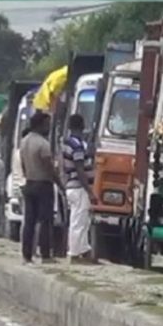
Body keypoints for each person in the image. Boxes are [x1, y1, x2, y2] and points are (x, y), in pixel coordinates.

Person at [19, 111, 58, 264]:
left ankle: (26, 254)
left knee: (29, 221)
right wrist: (59, 183)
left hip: (29, 182)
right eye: (47, 124)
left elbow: (23, 164)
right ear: (41, 125)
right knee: (45, 220)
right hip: (43, 184)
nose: (49, 127)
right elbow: (49, 167)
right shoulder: (43, 144)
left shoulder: (24, 142)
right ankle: (45, 254)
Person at [63, 113, 97, 264]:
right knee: (78, 221)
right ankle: (74, 253)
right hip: (79, 187)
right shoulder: (77, 146)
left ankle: (84, 250)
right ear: (82, 126)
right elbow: (80, 170)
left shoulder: (67, 143)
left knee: (83, 221)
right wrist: (90, 191)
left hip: (72, 186)